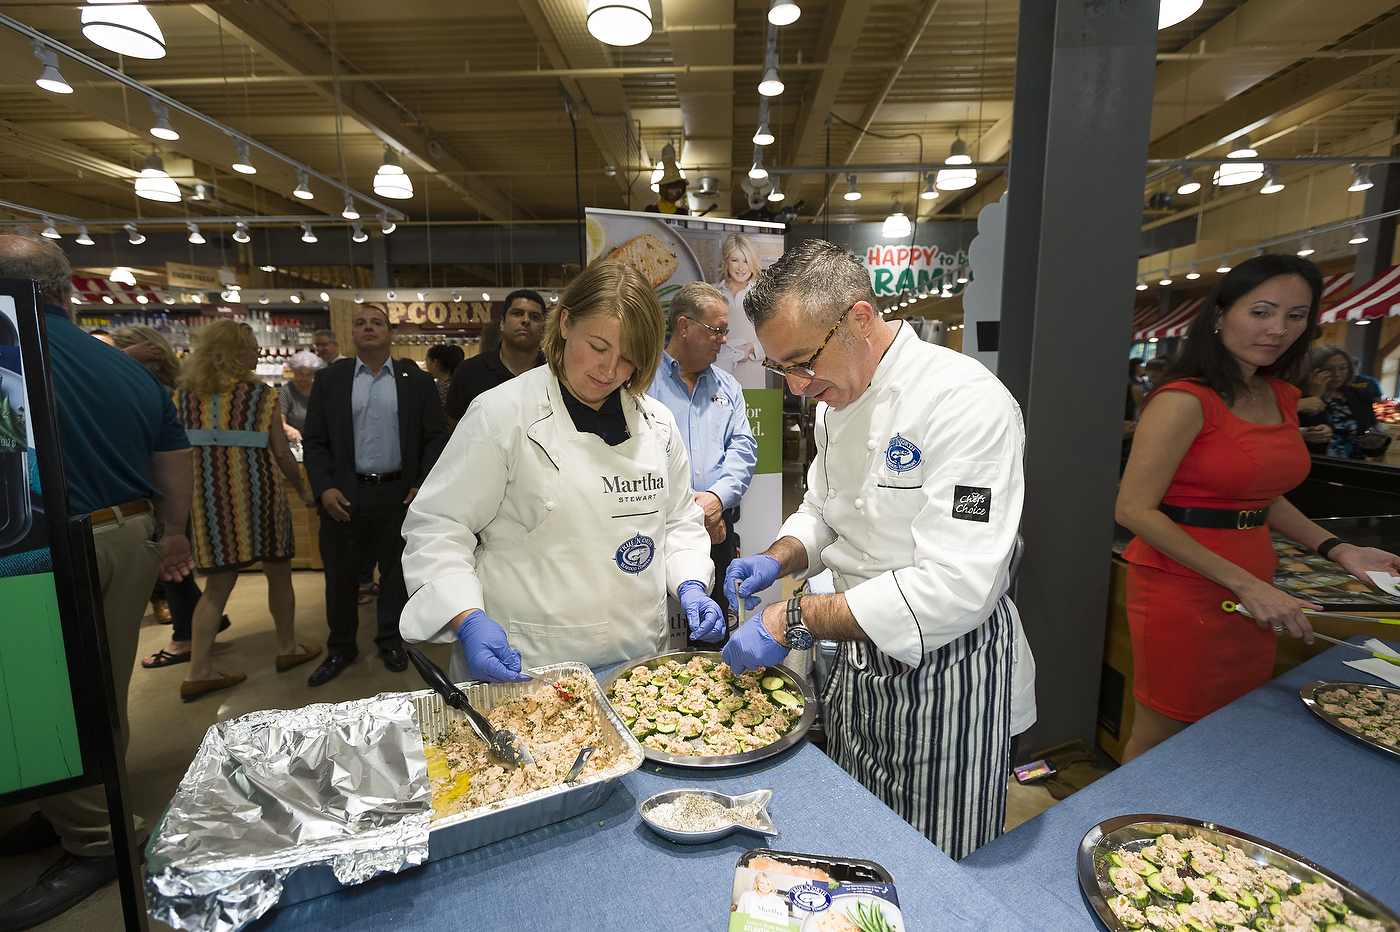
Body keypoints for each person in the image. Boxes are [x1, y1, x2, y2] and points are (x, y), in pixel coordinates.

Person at [720, 240, 1037, 861]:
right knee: (864, 841)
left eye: (802, 363)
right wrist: (780, 556)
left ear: (860, 320)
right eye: (781, 369)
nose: (795, 387)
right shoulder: (834, 400)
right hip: (858, 660)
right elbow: (824, 510)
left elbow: (955, 586)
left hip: (949, 669)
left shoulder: (965, 402)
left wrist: (795, 618)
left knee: (939, 861)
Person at [1116, 255, 1400, 763]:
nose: (1278, 329)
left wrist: (1338, 550)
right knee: (1167, 724)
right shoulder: (1183, 400)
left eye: (1296, 315)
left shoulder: (1280, 395)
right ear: (1220, 314)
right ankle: (1131, 828)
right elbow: (1135, 510)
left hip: (1256, 577)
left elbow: (1263, 498)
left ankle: (1201, 829)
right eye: (1263, 311)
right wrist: (1245, 584)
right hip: (1184, 582)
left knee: (1231, 716)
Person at [399, 259, 722, 682]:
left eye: (628, 359)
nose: (609, 371)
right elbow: (438, 527)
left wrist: (691, 584)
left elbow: (678, 521)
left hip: (637, 664)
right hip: (529, 665)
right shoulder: (502, 415)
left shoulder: (657, 424)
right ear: (566, 322)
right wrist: (467, 618)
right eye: (599, 347)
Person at [0, 235, 195, 930]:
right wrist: (173, 536)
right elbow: (173, 454)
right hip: (127, 533)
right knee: (99, 682)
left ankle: (94, 834)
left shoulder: (11, 352)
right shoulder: (122, 366)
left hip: (42, 546)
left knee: (45, 689)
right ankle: (69, 807)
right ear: (67, 289)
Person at [173, 319, 321, 700]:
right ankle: (286, 648)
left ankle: (199, 670)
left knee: (217, 586)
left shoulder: (184, 396)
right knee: (278, 573)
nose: (257, 352)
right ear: (234, 351)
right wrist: (303, 490)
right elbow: (282, 453)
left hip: (208, 500)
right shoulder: (261, 396)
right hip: (260, 496)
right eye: (251, 346)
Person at [302, 304, 448, 686]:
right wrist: (324, 487)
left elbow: (435, 436)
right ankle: (341, 647)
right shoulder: (330, 380)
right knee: (341, 577)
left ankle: (390, 641)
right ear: (352, 333)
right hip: (344, 495)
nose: (369, 328)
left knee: (397, 575)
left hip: (399, 495)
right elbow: (314, 441)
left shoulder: (414, 380)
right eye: (361, 323)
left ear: (390, 333)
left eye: (377, 323)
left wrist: (423, 483)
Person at [109, 325, 231, 671]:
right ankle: (191, 627)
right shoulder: (178, 389)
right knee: (176, 565)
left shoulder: (147, 388)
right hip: (173, 486)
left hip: (151, 487)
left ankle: (185, 635)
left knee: (170, 564)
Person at [648, 281, 757, 635]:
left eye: (726, 331)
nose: (723, 340)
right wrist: (694, 511)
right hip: (657, 529)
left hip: (718, 529)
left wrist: (716, 499)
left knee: (713, 627)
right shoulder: (642, 382)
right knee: (662, 628)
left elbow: (743, 450)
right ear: (684, 326)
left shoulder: (729, 387)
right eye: (716, 330)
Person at [444, 289, 547, 426]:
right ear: (502, 323)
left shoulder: (556, 375)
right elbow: (455, 427)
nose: (526, 320)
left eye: (534, 317)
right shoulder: (468, 372)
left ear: (544, 329)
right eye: (517, 313)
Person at [1298, 343, 1389, 460]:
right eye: (1327, 369)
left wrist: (1376, 445)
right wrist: (1315, 395)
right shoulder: (1300, 396)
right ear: (1312, 370)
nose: (1337, 374)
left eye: (1342, 368)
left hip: (1353, 467)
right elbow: (1309, 433)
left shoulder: (1359, 395)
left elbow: (1370, 437)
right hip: (1315, 467)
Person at [716, 233, 766, 388]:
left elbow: (777, 342)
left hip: (752, 379)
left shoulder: (763, 295)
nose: (741, 267)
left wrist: (752, 347)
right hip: (718, 378)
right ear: (725, 262)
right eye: (735, 260)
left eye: (746, 261)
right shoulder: (713, 293)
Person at [279, 350, 325, 443]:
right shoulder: (286, 391)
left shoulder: (320, 390)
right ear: (294, 371)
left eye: (309, 374)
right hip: (294, 443)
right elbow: (279, 421)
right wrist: (289, 430)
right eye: (301, 373)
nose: (304, 378)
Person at [425, 343, 464, 409]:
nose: (426, 365)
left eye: (427, 361)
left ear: (435, 362)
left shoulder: (442, 392)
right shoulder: (456, 385)